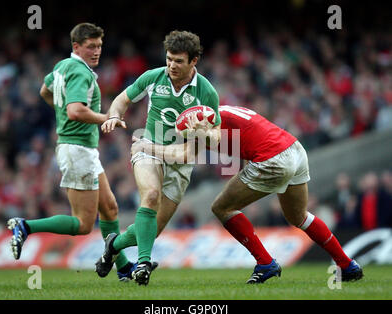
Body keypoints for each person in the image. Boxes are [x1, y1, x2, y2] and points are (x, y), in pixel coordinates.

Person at [130, 105, 364, 283]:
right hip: (294, 150)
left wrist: (147, 147)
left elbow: (198, 146)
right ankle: (347, 265)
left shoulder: (209, 126)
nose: (185, 137)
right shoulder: (221, 111)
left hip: (273, 160)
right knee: (299, 216)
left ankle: (265, 263)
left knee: (221, 207)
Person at [7, 23, 137, 281]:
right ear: (76, 46)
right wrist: (107, 118)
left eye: (99, 46)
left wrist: (63, 114)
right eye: (91, 46)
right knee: (83, 224)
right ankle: (26, 225)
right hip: (77, 149)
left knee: (110, 208)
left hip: (82, 149)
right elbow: (75, 110)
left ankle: (123, 267)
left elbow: (45, 91)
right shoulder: (80, 72)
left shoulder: (62, 67)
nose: (97, 51)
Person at [95, 30, 221, 285]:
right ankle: (143, 264)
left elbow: (217, 137)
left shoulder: (206, 91)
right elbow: (121, 100)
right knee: (150, 196)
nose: (172, 66)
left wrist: (204, 132)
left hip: (182, 160)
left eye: (179, 61)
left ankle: (113, 245)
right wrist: (115, 116)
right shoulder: (154, 77)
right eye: (169, 59)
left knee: (154, 229)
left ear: (193, 61)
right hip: (148, 147)